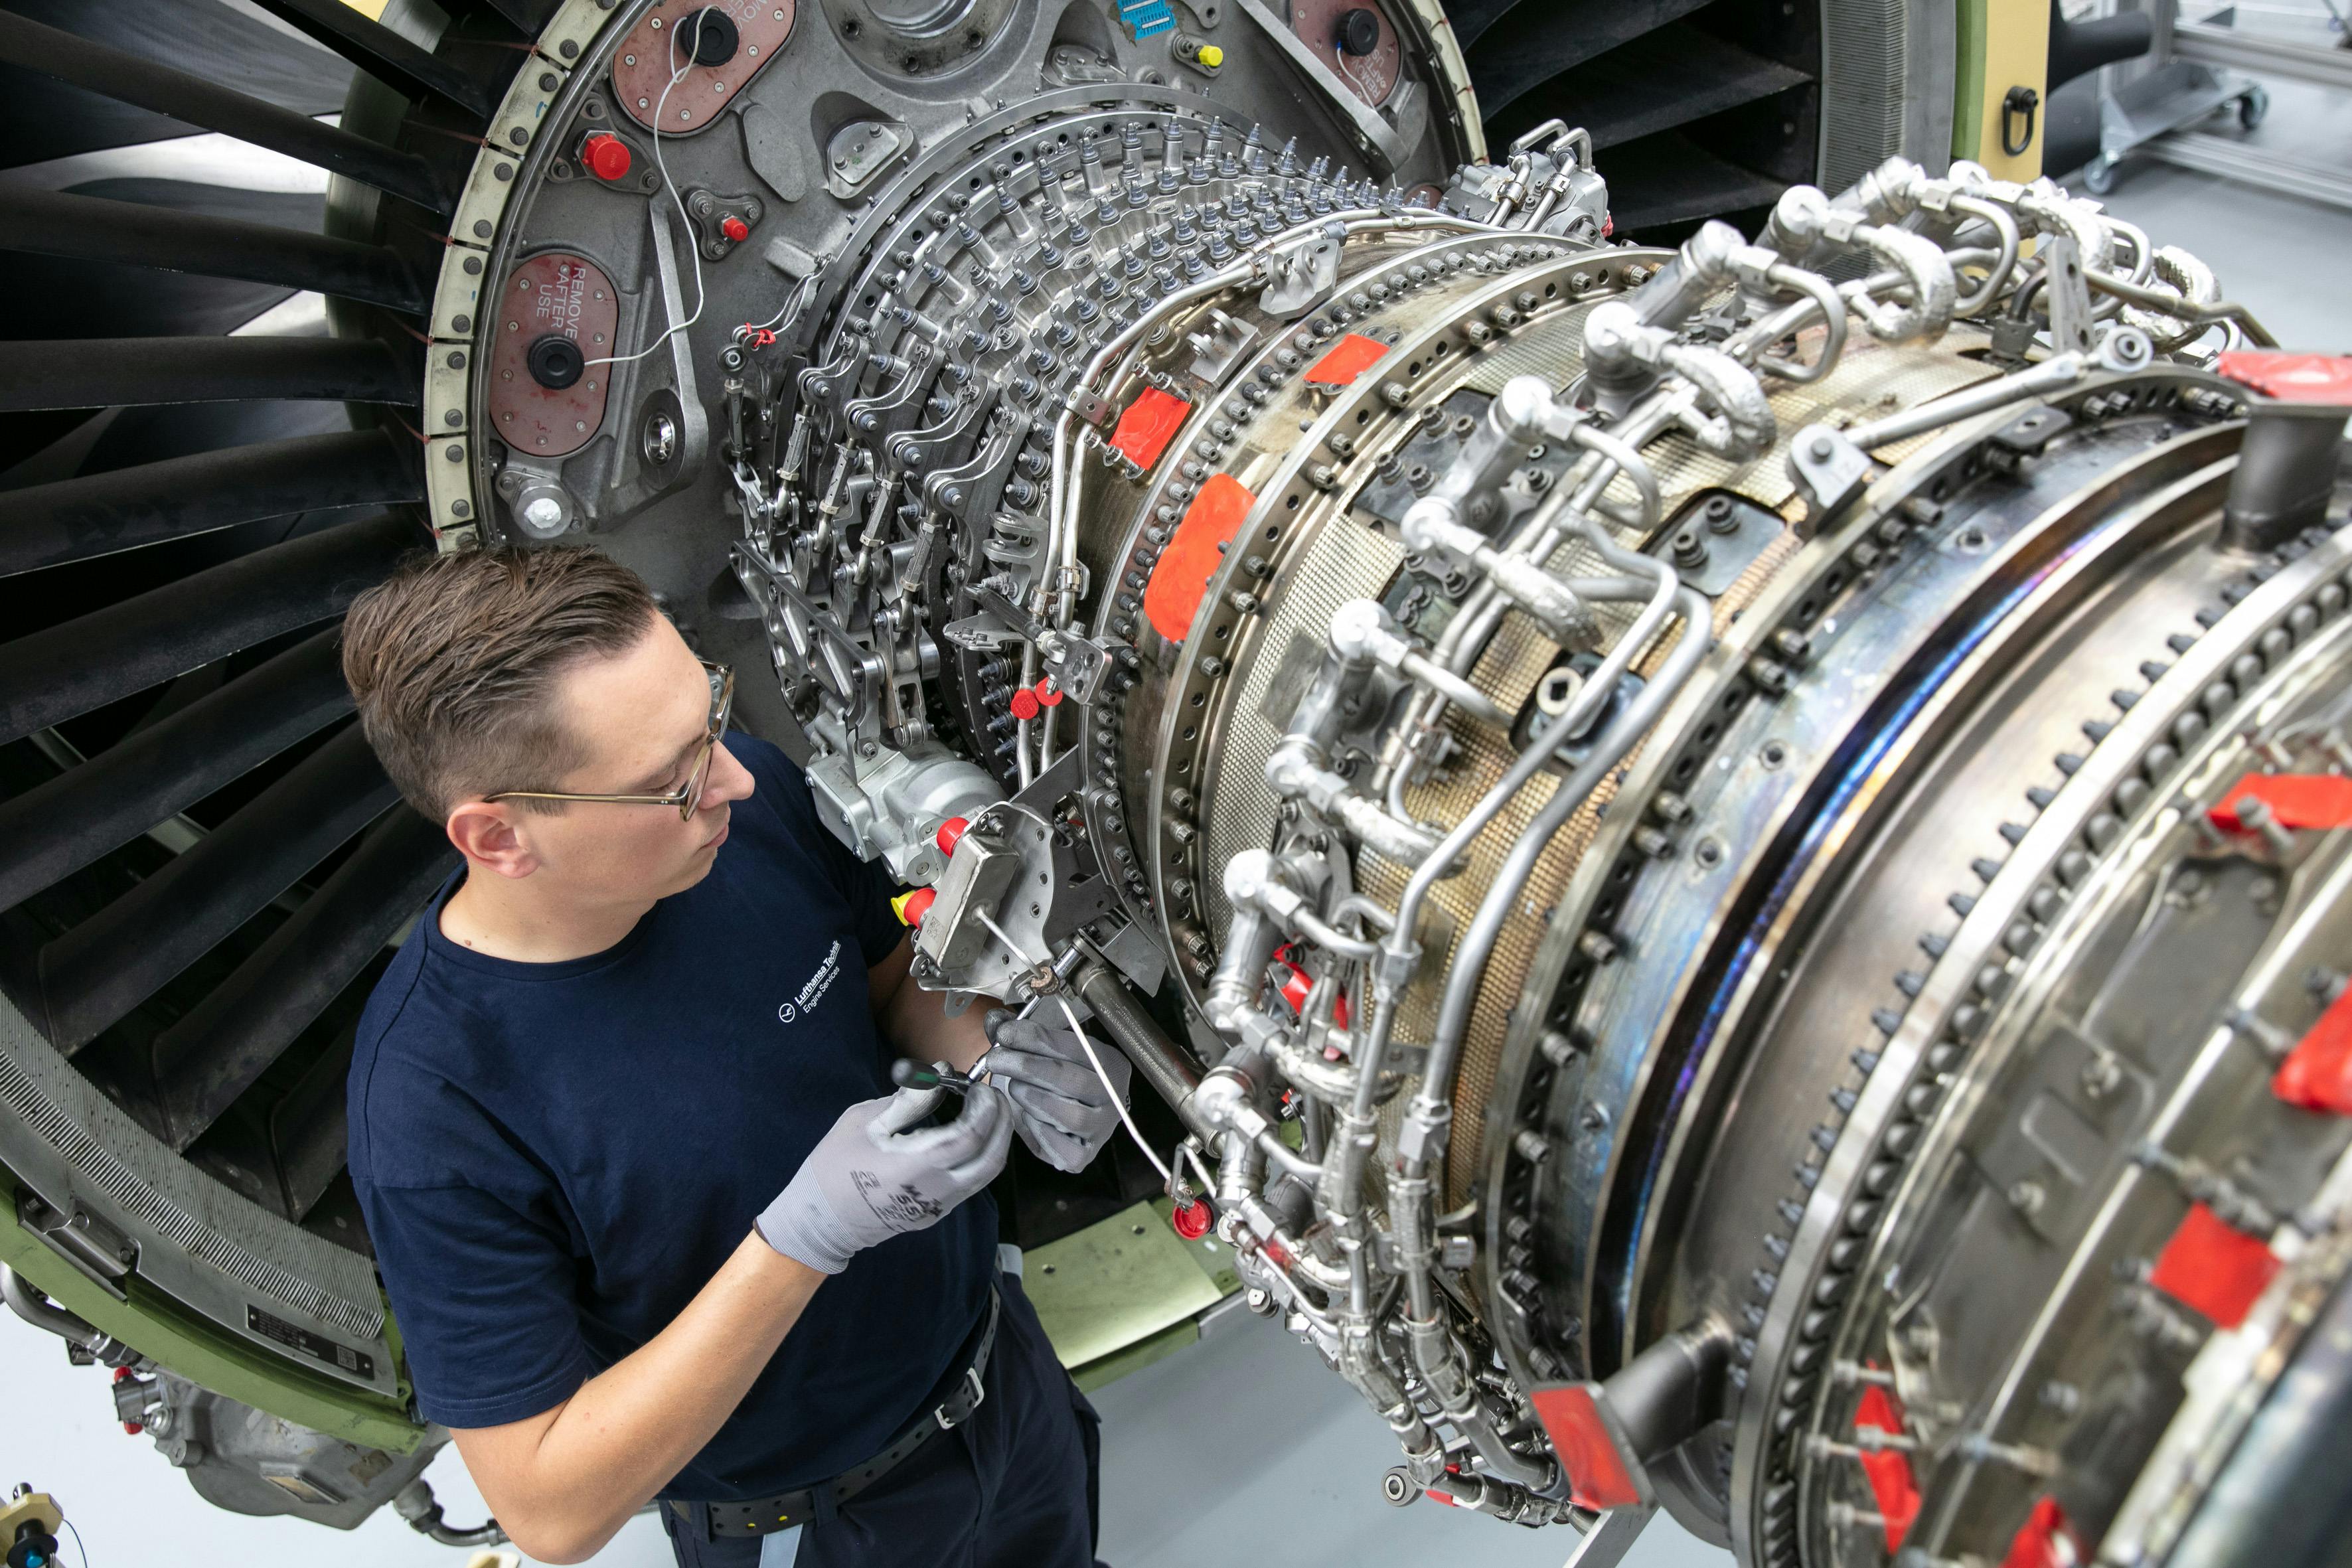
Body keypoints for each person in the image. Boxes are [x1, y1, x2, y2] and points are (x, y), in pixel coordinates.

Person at [339, 546, 1130, 1567]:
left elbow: (892, 989)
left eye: (706, 718)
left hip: (1001, 1389)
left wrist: (1008, 1047)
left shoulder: (742, 818)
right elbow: (549, 1505)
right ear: (498, 836)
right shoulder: (433, 1108)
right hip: (812, 1526)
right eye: (670, 780)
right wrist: (799, 1241)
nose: (734, 775)